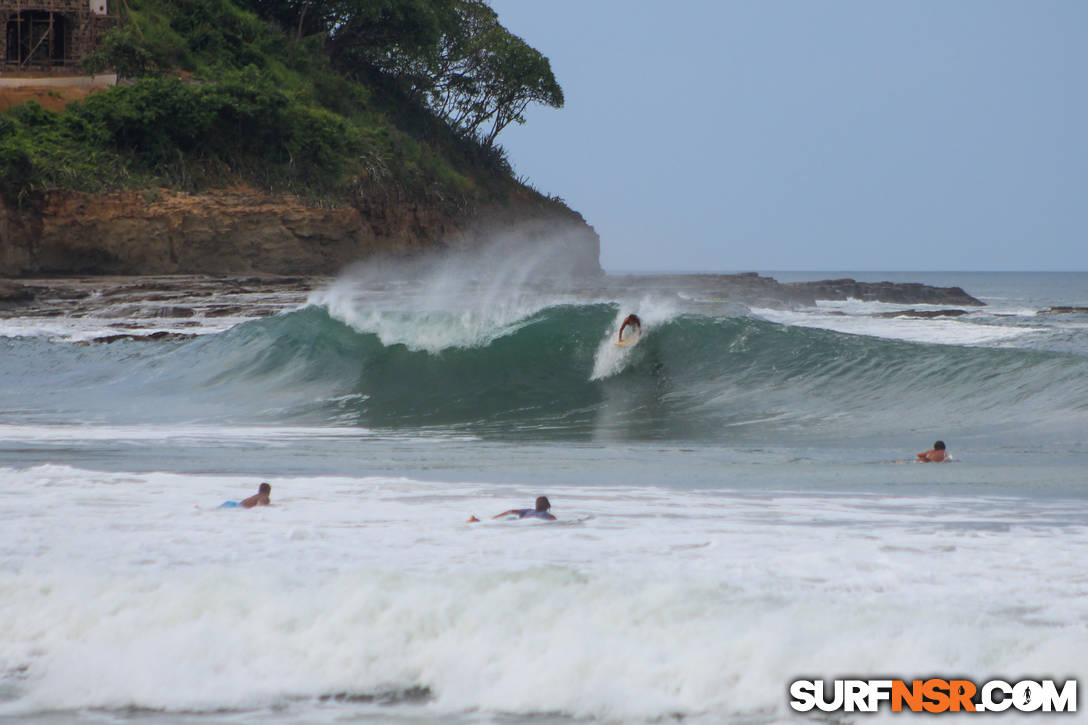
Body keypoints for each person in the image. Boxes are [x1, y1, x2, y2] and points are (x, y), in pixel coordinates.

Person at [467, 496, 556, 522]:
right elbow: (555, 521)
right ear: (548, 506)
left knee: (496, 522)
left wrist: (494, 517)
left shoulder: (529, 510)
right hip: (527, 523)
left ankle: (477, 520)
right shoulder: (548, 515)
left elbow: (511, 511)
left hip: (518, 520)